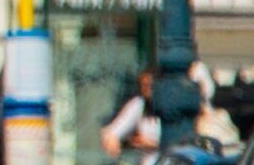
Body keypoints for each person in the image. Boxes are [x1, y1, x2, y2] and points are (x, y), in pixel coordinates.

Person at [101, 61, 237, 156]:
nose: (146, 91)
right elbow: (112, 133)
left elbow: (193, 142)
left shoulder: (189, 104)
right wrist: (116, 143)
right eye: (143, 86)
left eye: (150, 86)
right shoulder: (140, 105)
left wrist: (153, 145)